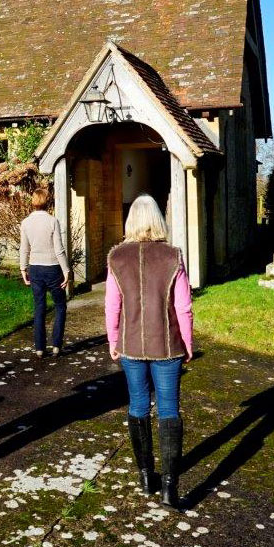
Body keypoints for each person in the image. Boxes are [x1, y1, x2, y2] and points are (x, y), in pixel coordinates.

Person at [105, 193, 193, 509]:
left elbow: (112, 305)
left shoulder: (117, 257)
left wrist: (113, 340)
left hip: (130, 345)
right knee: (169, 409)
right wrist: (188, 344)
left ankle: (145, 475)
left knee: (139, 404)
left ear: (132, 221)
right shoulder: (172, 256)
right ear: (157, 219)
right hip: (167, 345)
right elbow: (183, 307)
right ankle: (170, 488)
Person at [20, 188, 70, 357]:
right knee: (60, 306)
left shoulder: (26, 223)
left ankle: (40, 348)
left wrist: (22, 268)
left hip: (35, 268)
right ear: (48, 202)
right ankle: (56, 345)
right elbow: (59, 250)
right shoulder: (52, 221)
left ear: (33, 202)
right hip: (53, 268)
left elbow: (24, 249)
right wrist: (66, 270)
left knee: (39, 307)